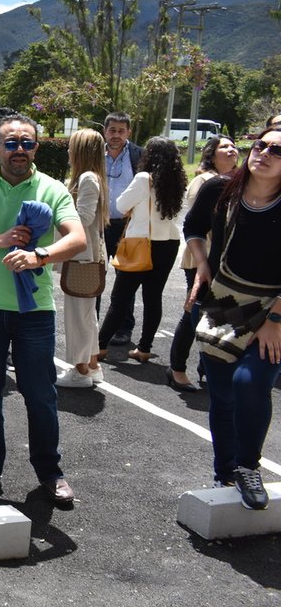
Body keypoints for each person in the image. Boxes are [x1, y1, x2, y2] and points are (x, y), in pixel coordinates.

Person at [0, 113, 86, 507]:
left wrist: (39, 255)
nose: (19, 150)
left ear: (36, 146)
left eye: (27, 143)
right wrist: (0, 240)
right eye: (10, 143)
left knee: (40, 394)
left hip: (35, 312)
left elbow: (78, 238)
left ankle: (50, 471)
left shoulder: (51, 189)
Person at [184, 123, 281, 510]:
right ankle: (224, 472)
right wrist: (203, 264)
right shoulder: (220, 188)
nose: (264, 153)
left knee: (250, 382)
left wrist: (275, 321)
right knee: (222, 395)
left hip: (273, 308)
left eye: (277, 150)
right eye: (261, 145)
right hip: (222, 300)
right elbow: (193, 227)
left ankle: (247, 466)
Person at [97, 137, 186, 364]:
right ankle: (144, 348)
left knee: (120, 298)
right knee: (153, 297)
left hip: (140, 243)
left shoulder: (144, 178)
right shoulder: (178, 181)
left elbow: (120, 205)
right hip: (168, 244)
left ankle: (100, 346)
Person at [169, 134, 239, 391]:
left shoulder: (242, 181)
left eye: (233, 146)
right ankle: (177, 367)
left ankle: (206, 368)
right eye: (224, 147)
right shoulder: (205, 182)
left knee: (219, 314)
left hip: (224, 260)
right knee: (193, 311)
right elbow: (197, 222)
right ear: (211, 154)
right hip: (201, 258)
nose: (231, 150)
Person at [55, 128, 109, 388]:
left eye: (71, 146)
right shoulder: (93, 177)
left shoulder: (87, 178)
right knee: (88, 316)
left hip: (82, 258)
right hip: (87, 258)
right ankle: (93, 365)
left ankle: (80, 371)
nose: (68, 151)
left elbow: (83, 217)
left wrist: (58, 209)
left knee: (78, 318)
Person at [101, 112, 143, 344]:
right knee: (94, 275)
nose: (116, 135)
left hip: (127, 228)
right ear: (105, 131)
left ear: (129, 132)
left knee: (125, 280)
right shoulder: (95, 154)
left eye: (121, 130)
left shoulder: (139, 155)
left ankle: (123, 327)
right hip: (99, 225)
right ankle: (94, 323)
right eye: (112, 130)